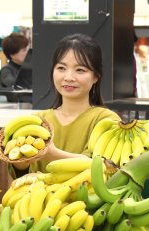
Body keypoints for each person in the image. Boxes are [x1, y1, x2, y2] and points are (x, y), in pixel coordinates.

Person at [9, 33, 121, 178]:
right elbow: (19, 175)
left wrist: (52, 154)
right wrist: (21, 163)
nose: (68, 77)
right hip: (37, 199)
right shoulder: (38, 120)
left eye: (80, 70)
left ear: (95, 77)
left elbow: (104, 167)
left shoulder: (106, 121)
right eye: (61, 68)